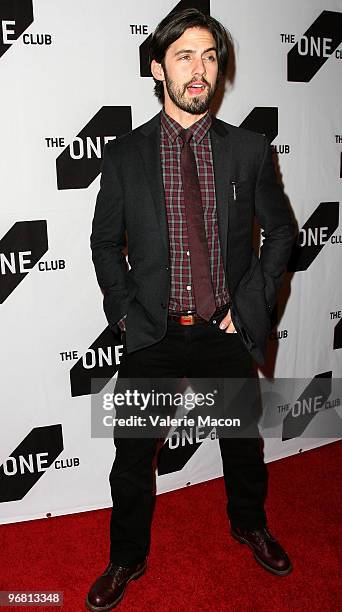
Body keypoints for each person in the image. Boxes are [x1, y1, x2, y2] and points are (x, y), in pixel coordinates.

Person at [87, 8, 295, 610]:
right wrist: (126, 314)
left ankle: (248, 523)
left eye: (209, 56)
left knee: (241, 442)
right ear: (157, 68)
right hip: (152, 332)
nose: (200, 69)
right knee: (131, 458)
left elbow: (281, 232)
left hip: (223, 329)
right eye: (184, 56)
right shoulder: (125, 154)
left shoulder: (250, 149)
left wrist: (248, 307)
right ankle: (125, 559)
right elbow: (104, 242)